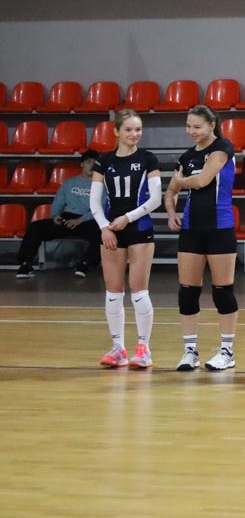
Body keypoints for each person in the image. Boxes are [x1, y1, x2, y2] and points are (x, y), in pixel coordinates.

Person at [165, 104, 240, 372]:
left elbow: (202, 181)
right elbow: (170, 191)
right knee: (187, 292)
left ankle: (227, 351)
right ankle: (189, 351)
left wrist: (180, 181)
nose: (192, 131)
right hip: (191, 229)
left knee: (222, 292)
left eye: (197, 126)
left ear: (211, 125)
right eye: (188, 126)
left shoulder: (223, 148)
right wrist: (171, 212)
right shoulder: (186, 157)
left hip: (220, 228)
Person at [88, 112, 162, 369]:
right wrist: (104, 228)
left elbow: (155, 199)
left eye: (138, 129)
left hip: (139, 228)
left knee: (139, 291)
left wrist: (128, 218)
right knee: (113, 292)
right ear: (117, 131)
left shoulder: (148, 159)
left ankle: (144, 349)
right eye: (129, 129)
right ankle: (118, 348)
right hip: (111, 231)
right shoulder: (104, 161)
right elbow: (94, 201)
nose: (134, 134)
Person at [15, 150, 102, 278]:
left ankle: (85, 264)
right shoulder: (69, 183)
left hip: (87, 220)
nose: (92, 166)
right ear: (82, 164)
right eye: (89, 162)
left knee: (103, 231)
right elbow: (58, 204)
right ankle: (25, 264)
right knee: (35, 227)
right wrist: (56, 216)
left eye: (95, 163)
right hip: (67, 218)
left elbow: (100, 208)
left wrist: (80, 220)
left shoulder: (100, 185)